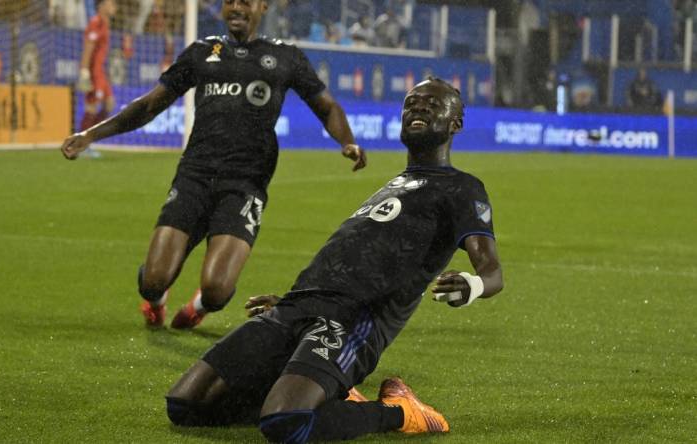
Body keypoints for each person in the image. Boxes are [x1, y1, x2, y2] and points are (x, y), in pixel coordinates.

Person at [163, 78, 504, 442]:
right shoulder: (395, 184)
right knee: (186, 405)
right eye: (411, 103)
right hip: (295, 308)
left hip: (354, 320)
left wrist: (474, 284)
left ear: (456, 124)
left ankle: (401, 413)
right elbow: (350, 255)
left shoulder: (462, 188)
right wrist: (291, 299)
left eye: (433, 105)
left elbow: (493, 271)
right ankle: (326, 392)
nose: (418, 109)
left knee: (287, 424)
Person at [60, 0, 366, 330]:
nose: (236, 8)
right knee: (152, 280)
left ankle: (197, 307)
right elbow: (150, 105)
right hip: (195, 175)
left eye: (245, 2)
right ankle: (155, 302)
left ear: (262, 6)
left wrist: (346, 141)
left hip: (245, 184)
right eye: (229, 2)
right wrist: (91, 134)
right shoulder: (200, 53)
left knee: (217, 290)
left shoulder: (284, 57)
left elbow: (327, 106)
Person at [77, 0, 118, 155]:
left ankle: (88, 140)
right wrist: (84, 71)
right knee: (92, 107)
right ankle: (81, 146)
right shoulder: (96, 23)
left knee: (109, 104)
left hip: (100, 72)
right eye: (111, 3)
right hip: (93, 72)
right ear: (102, 6)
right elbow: (88, 47)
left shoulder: (105, 23)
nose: (114, 6)